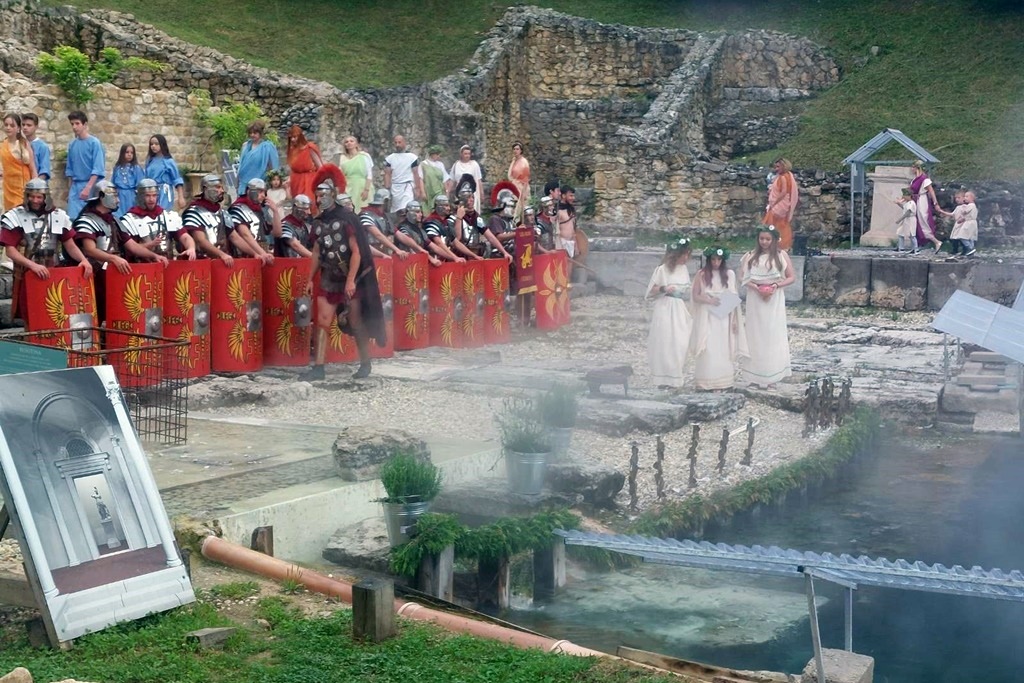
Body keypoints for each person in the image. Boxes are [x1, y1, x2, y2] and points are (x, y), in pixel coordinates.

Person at [305, 164, 386, 380]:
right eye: (317, 195)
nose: (320, 199)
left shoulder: (347, 218)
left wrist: (350, 281)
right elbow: (317, 252)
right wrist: (310, 278)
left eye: (323, 194)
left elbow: (357, 252)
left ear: (333, 194)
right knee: (323, 321)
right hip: (329, 278)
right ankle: (319, 368)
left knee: (355, 321)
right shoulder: (318, 222)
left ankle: (365, 363)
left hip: (351, 277)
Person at [1, 178, 92, 324]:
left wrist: (83, 260)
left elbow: (70, 245)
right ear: (26, 196)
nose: (35, 200)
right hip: (28, 272)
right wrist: (33, 266)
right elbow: (10, 251)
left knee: (55, 312)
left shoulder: (58, 215)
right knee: (32, 314)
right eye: (31, 196)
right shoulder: (16, 216)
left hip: (54, 271)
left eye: (39, 197)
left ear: (46, 197)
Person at [739, 226, 795, 389]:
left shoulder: (781, 255)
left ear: (774, 240)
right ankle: (754, 375)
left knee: (772, 335)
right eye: (762, 239)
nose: (764, 242)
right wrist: (757, 288)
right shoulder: (750, 256)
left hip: (774, 298)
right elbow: (742, 277)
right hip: (755, 299)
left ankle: (772, 375)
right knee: (755, 335)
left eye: (768, 239)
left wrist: (776, 286)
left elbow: (791, 277)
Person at [72, 180, 132, 321]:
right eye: (114, 196)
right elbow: (90, 250)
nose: (117, 200)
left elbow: (131, 245)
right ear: (101, 196)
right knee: (96, 313)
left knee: (116, 312)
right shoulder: (87, 220)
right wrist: (113, 258)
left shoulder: (114, 221)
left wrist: (154, 255)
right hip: (96, 273)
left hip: (114, 271)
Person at [691, 246, 748, 391]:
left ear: (723, 260)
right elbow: (695, 296)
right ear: (709, 260)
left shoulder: (729, 274)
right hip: (707, 315)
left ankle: (723, 381)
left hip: (724, 316)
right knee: (708, 346)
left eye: (719, 259)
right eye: (713, 259)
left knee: (723, 347)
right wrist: (709, 300)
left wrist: (734, 320)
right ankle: (705, 381)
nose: (716, 262)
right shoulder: (702, 274)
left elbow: (733, 297)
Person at [645, 237, 694, 390]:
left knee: (680, 342)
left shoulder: (684, 269)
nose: (685, 258)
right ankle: (663, 378)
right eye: (683, 254)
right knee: (665, 342)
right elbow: (651, 290)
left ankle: (675, 377)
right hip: (665, 307)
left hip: (679, 307)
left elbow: (687, 290)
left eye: (688, 254)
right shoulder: (662, 269)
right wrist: (664, 288)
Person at [118, 178, 194, 263]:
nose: (151, 199)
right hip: (143, 266)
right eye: (147, 196)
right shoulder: (130, 220)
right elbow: (130, 249)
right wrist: (150, 245)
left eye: (154, 195)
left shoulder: (168, 216)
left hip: (167, 264)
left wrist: (191, 248)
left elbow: (185, 236)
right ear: (140, 196)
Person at [180, 174, 234, 266]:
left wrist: (257, 253)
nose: (222, 191)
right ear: (205, 189)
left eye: (222, 187)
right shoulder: (193, 212)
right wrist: (222, 254)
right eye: (218, 187)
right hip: (201, 263)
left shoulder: (222, 213)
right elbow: (200, 240)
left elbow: (234, 237)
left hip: (222, 262)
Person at [226, 178, 277, 264]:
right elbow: (245, 234)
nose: (263, 195)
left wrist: (275, 212)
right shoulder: (238, 208)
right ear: (250, 191)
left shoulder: (260, 210)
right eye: (260, 192)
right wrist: (262, 253)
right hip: (245, 254)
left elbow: (277, 233)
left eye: (264, 192)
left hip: (261, 252)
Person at [64, 111, 105, 220]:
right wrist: (70, 190)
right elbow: (70, 170)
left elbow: (97, 168)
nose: (74, 127)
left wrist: (88, 188)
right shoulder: (72, 145)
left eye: (77, 123)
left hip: (90, 186)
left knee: (88, 218)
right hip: (75, 188)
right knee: (72, 219)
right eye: (72, 124)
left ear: (85, 124)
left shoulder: (94, 143)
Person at [1, 112, 36, 212]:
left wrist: (36, 189)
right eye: (6, 125)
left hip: (23, 188)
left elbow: (33, 169)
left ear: (18, 128)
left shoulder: (24, 144)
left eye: (12, 125)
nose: (8, 128)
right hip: (8, 188)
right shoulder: (2, 145)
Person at [383, 135, 423, 219]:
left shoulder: (412, 158)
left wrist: (417, 188)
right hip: (395, 187)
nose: (397, 145)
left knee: (406, 207)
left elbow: (416, 173)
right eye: (395, 143)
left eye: (399, 142)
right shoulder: (390, 158)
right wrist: (387, 189)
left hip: (407, 187)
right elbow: (387, 174)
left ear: (404, 143)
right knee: (396, 210)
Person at [143, 134, 185, 211]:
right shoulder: (150, 161)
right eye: (151, 144)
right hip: (152, 192)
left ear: (162, 144)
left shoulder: (168, 161)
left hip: (164, 193)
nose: (153, 146)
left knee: (162, 213)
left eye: (156, 144)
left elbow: (177, 179)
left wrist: (181, 197)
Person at [763, 157, 798, 251]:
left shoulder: (783, 177)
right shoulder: (788, 175)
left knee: (772, 224)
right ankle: (781, 245)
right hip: (783, 204)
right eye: (776, 167)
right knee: (781, 224)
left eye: (778, 167)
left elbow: (783, 192)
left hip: (780, 204)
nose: (776, 169)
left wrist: (774, 203)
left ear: (784, 166)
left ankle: (777, 244)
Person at [360, 189, 406, 259]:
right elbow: (378, 235)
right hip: (371, 254)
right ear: (385, 201)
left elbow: (399, 234)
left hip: (385, 253)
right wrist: (397, 249)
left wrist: (419, 249)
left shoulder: (385, 217)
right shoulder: (366, 215)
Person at [909, 159, 943, 254]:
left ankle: (936, 242)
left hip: (922, 201)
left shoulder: (924, 179)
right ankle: (916, 246)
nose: (911, 169)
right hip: (916, 200)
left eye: (913, 167)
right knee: (916, 223)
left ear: (917, 168)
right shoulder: (914, 180)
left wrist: (935, 203)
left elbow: (931, 191)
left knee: (923, 222)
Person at [424, 195, 471, 262]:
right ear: (439, 207)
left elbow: (456, 241)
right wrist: (455, 258)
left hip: (444, 259)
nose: (449, 208)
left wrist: (474, 256)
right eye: (446, 206)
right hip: (434, 260)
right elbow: (439, 243)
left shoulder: (446, 222)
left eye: (448, 206)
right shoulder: (430, 221)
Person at [237, 121, 280, 193]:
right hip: (244, 182)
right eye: (250, 133)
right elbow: (241, 164)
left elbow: (273, 167)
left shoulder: (267, 147)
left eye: (255, 133)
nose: (252, 135)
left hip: (260, 183)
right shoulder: (245, 145)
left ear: (260, 133)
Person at [394, 201, 441, 266]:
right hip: (405, 264)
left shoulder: (419, 230)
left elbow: (434, 247)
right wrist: (430, 258)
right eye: (417, 212)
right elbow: (412, 247)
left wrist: (453, 257)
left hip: (417, 263)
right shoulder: (403, 228)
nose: (421, 215)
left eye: (421, 212)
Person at [286, 125, 322, 205]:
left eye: (295, 137)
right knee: (297, 204)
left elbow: (320, 167)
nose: (292, 139)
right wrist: (289, 179)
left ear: (300, 136)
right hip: (296, 181)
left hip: (309, 180)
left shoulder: (309, 148)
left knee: (308, 203)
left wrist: (320, 183)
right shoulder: (292, 150)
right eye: (291, 137)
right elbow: (293, 169)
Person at [338, 134, 373, 211]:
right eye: (346, 142)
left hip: (362, 186)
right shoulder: (343, 158)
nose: (349, 143)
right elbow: (340, 174)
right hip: (348, 186)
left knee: (362, 209)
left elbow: (369, 174)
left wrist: (366, 190)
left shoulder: (364, 156)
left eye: (351, 141)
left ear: (356, 144)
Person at [940, 189, 978, 258]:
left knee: (963, 236)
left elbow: (965, 212)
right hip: (967, 223)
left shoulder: (970, 205)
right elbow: (955, 214)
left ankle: (970, 248)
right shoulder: (968, 206)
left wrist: (963, 209)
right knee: (967, 237)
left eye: (966, 197)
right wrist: (941, 211)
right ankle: (969, 250)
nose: (965, 198)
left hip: (968, 224)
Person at [111, 143, 144, 219]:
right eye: (127, 152)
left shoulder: (136, 168)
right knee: (118, 215)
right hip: (119, 195)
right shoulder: (117, 168)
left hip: (131, 195)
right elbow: (113, 183)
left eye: (132, 153)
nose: (129, 154)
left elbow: (140, 184)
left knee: (130, 214)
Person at [276, 194, 312, 258]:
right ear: (297, 208)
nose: (309, 212)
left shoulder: (305, 226)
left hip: (302, 262)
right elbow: (295, 245)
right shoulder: (285, 225)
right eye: (306, 209)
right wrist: (314, 257)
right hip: (286, 263)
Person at [450, 145, 483, 212]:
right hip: (459, 194)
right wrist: (449, 192)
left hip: (472, 194)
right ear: (461, 154)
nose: (467, 156)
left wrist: (481, 193)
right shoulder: (456, 165)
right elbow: (452, 181)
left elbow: (478, 180)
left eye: (469, 154)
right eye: (465, 154)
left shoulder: (474, 164)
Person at [421, 145, 451, 213]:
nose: (439, 157)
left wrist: (447, 192)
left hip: (439, 191)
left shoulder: (440, 164)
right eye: (437, 155)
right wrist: (423, 192)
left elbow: (445, 179)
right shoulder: (423, 164)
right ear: (432, 154)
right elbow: (421, 179)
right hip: (429, 191)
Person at [21, 113, 50, 181]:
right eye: (23, 125)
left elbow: (44, 171)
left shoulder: (42, 147)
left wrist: (36, 184)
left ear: (36, 127)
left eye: (29, 125)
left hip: (35, 183)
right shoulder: (19, 144)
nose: (25, 127)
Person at [507, 141, 531, 222]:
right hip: (514, 187)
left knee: (521, 209)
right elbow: (510, 175)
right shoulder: (514, 161)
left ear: (521, 150)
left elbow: (526, 178)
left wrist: (524, 192)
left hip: (522, 187)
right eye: (514, 149)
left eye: (517, 149)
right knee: (513, 208)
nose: (515, 151)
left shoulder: (524, 162)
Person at [893, 188, 919, 254]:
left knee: (912, 234)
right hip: (906, 220)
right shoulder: (907, 203)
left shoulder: (911, 203)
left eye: (905, 195)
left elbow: (908, 212)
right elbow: (904, 208)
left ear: (909, 196)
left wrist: (900, 219)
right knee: (900, 232)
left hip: (910, 219)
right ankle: (901, 247)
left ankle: (915, 249)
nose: (904, 197)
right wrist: (898, 204)